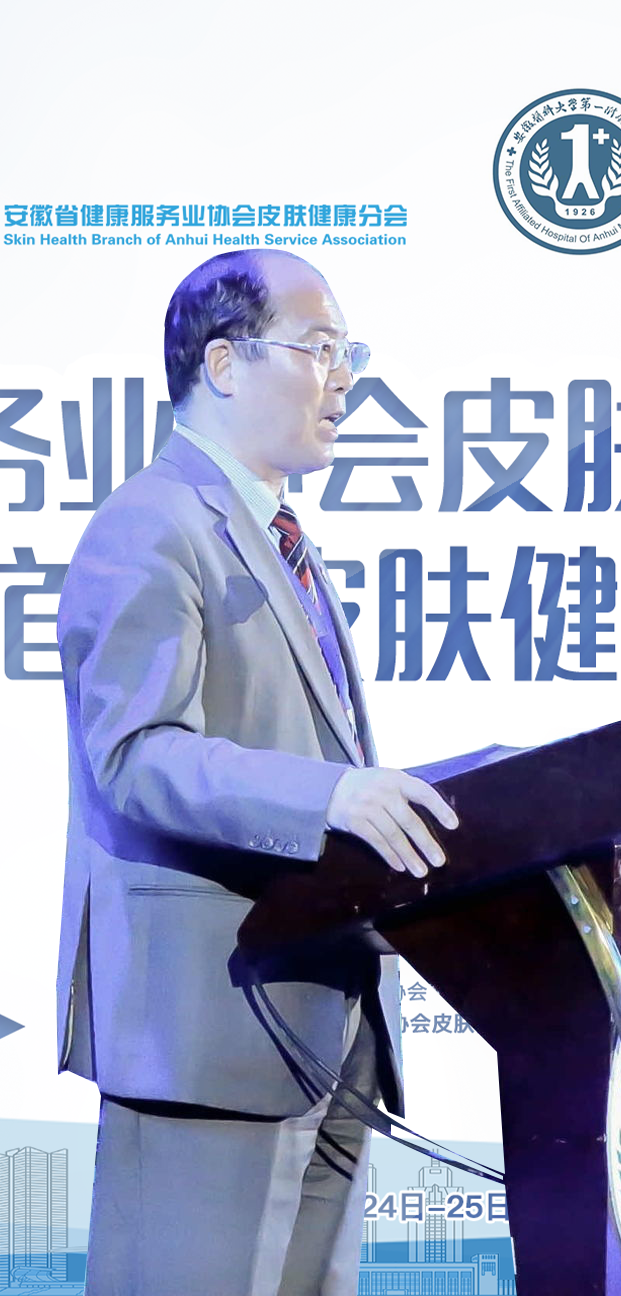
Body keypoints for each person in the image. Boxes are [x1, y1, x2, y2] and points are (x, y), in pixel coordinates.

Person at [55, 249, 458, 1296]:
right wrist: (332, 796)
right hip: (208, 1032)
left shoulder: (283, 539)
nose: (345, 378)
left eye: (349, 351)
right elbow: (134, 755)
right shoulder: (150, 524)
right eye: (319, 349)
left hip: (328, 1023)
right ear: (225, 364)